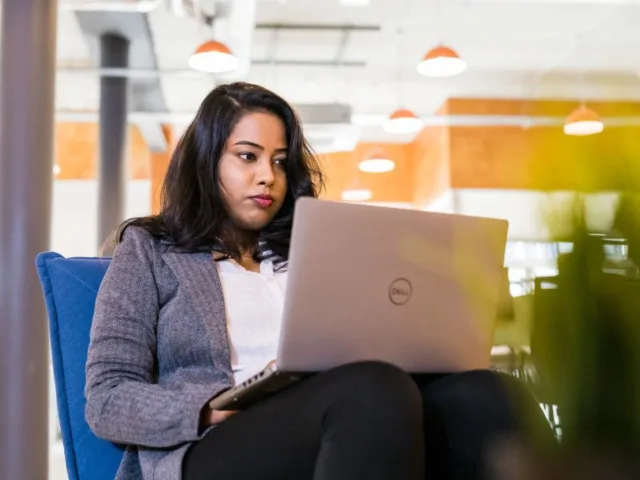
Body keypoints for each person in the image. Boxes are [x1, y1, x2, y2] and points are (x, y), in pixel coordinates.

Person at [85, 82, 552, 480]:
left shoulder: (313, 250)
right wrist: (209, 405)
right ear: (207, 162)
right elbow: (107, 398)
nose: (267, 177)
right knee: (370, 392)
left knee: (487, 392)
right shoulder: (149, 250)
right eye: (247, 156)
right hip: (215, 439)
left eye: (280, 162)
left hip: (339, 406)